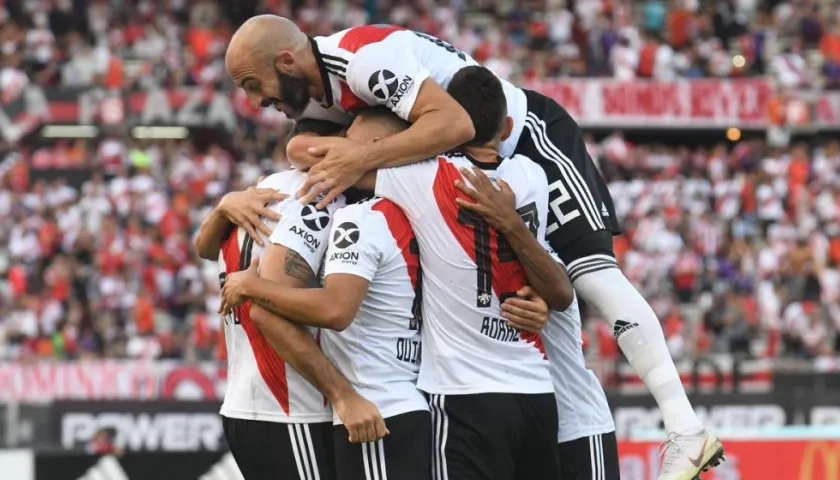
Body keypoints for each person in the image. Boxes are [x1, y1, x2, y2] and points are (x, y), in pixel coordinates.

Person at [224, 15, 724, 478]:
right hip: (458, 171)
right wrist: (233, 200)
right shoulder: (312, 94)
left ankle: (685, 428)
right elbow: (301, 150)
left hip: (522, 140)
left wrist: (360, 158)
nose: (254, 101)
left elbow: (455, 125)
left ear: (286, 61)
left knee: (589, 276)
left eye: (253, 85)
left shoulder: (362, 60)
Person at [344, 67, 571, 480]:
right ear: (505, 127)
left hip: (462, 392)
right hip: (535, 389)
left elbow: (336, 162)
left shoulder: (422, 176)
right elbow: (558, 291)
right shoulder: (531, 176)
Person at [194, 172, 388, 480]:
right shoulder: (319, 195)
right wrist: (343, 396)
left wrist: (222, 206)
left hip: (247, 401)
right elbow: (267, 312)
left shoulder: (260, 187)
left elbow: (204, 249)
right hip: (291, 407)